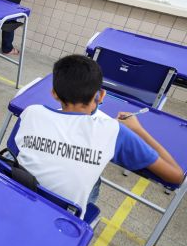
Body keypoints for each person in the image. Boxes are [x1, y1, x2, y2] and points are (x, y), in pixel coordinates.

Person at [12, 55, 184, 217]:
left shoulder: (31, 112)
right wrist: (138, 130)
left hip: (19, 198)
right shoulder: (113, 130)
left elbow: (14, 147)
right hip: (64, 218)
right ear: (101, 95)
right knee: (94, 182)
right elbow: (176, 176)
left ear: (54, 93)